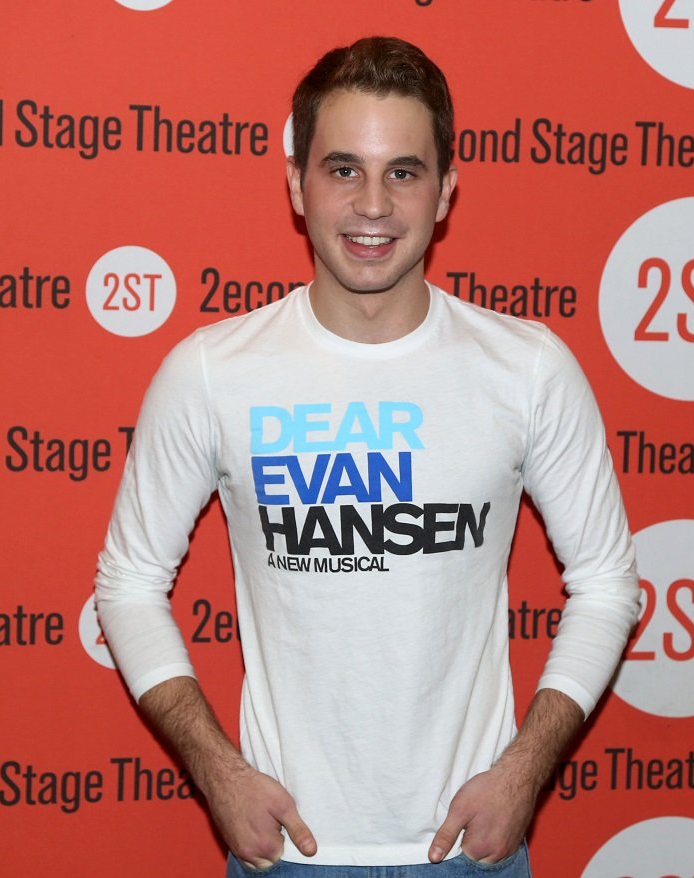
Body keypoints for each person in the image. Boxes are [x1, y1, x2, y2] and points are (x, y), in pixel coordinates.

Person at [95, 36, 639, 876]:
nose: (373, 205)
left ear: (446, 189)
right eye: (343, 168)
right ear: (295, 184)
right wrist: (220, 773)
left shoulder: (526, 367)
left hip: (470, 851)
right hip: (285, 851)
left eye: (404, 172)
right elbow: (128, 585)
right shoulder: (213, 371)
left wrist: (525, 773)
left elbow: (606, 581)